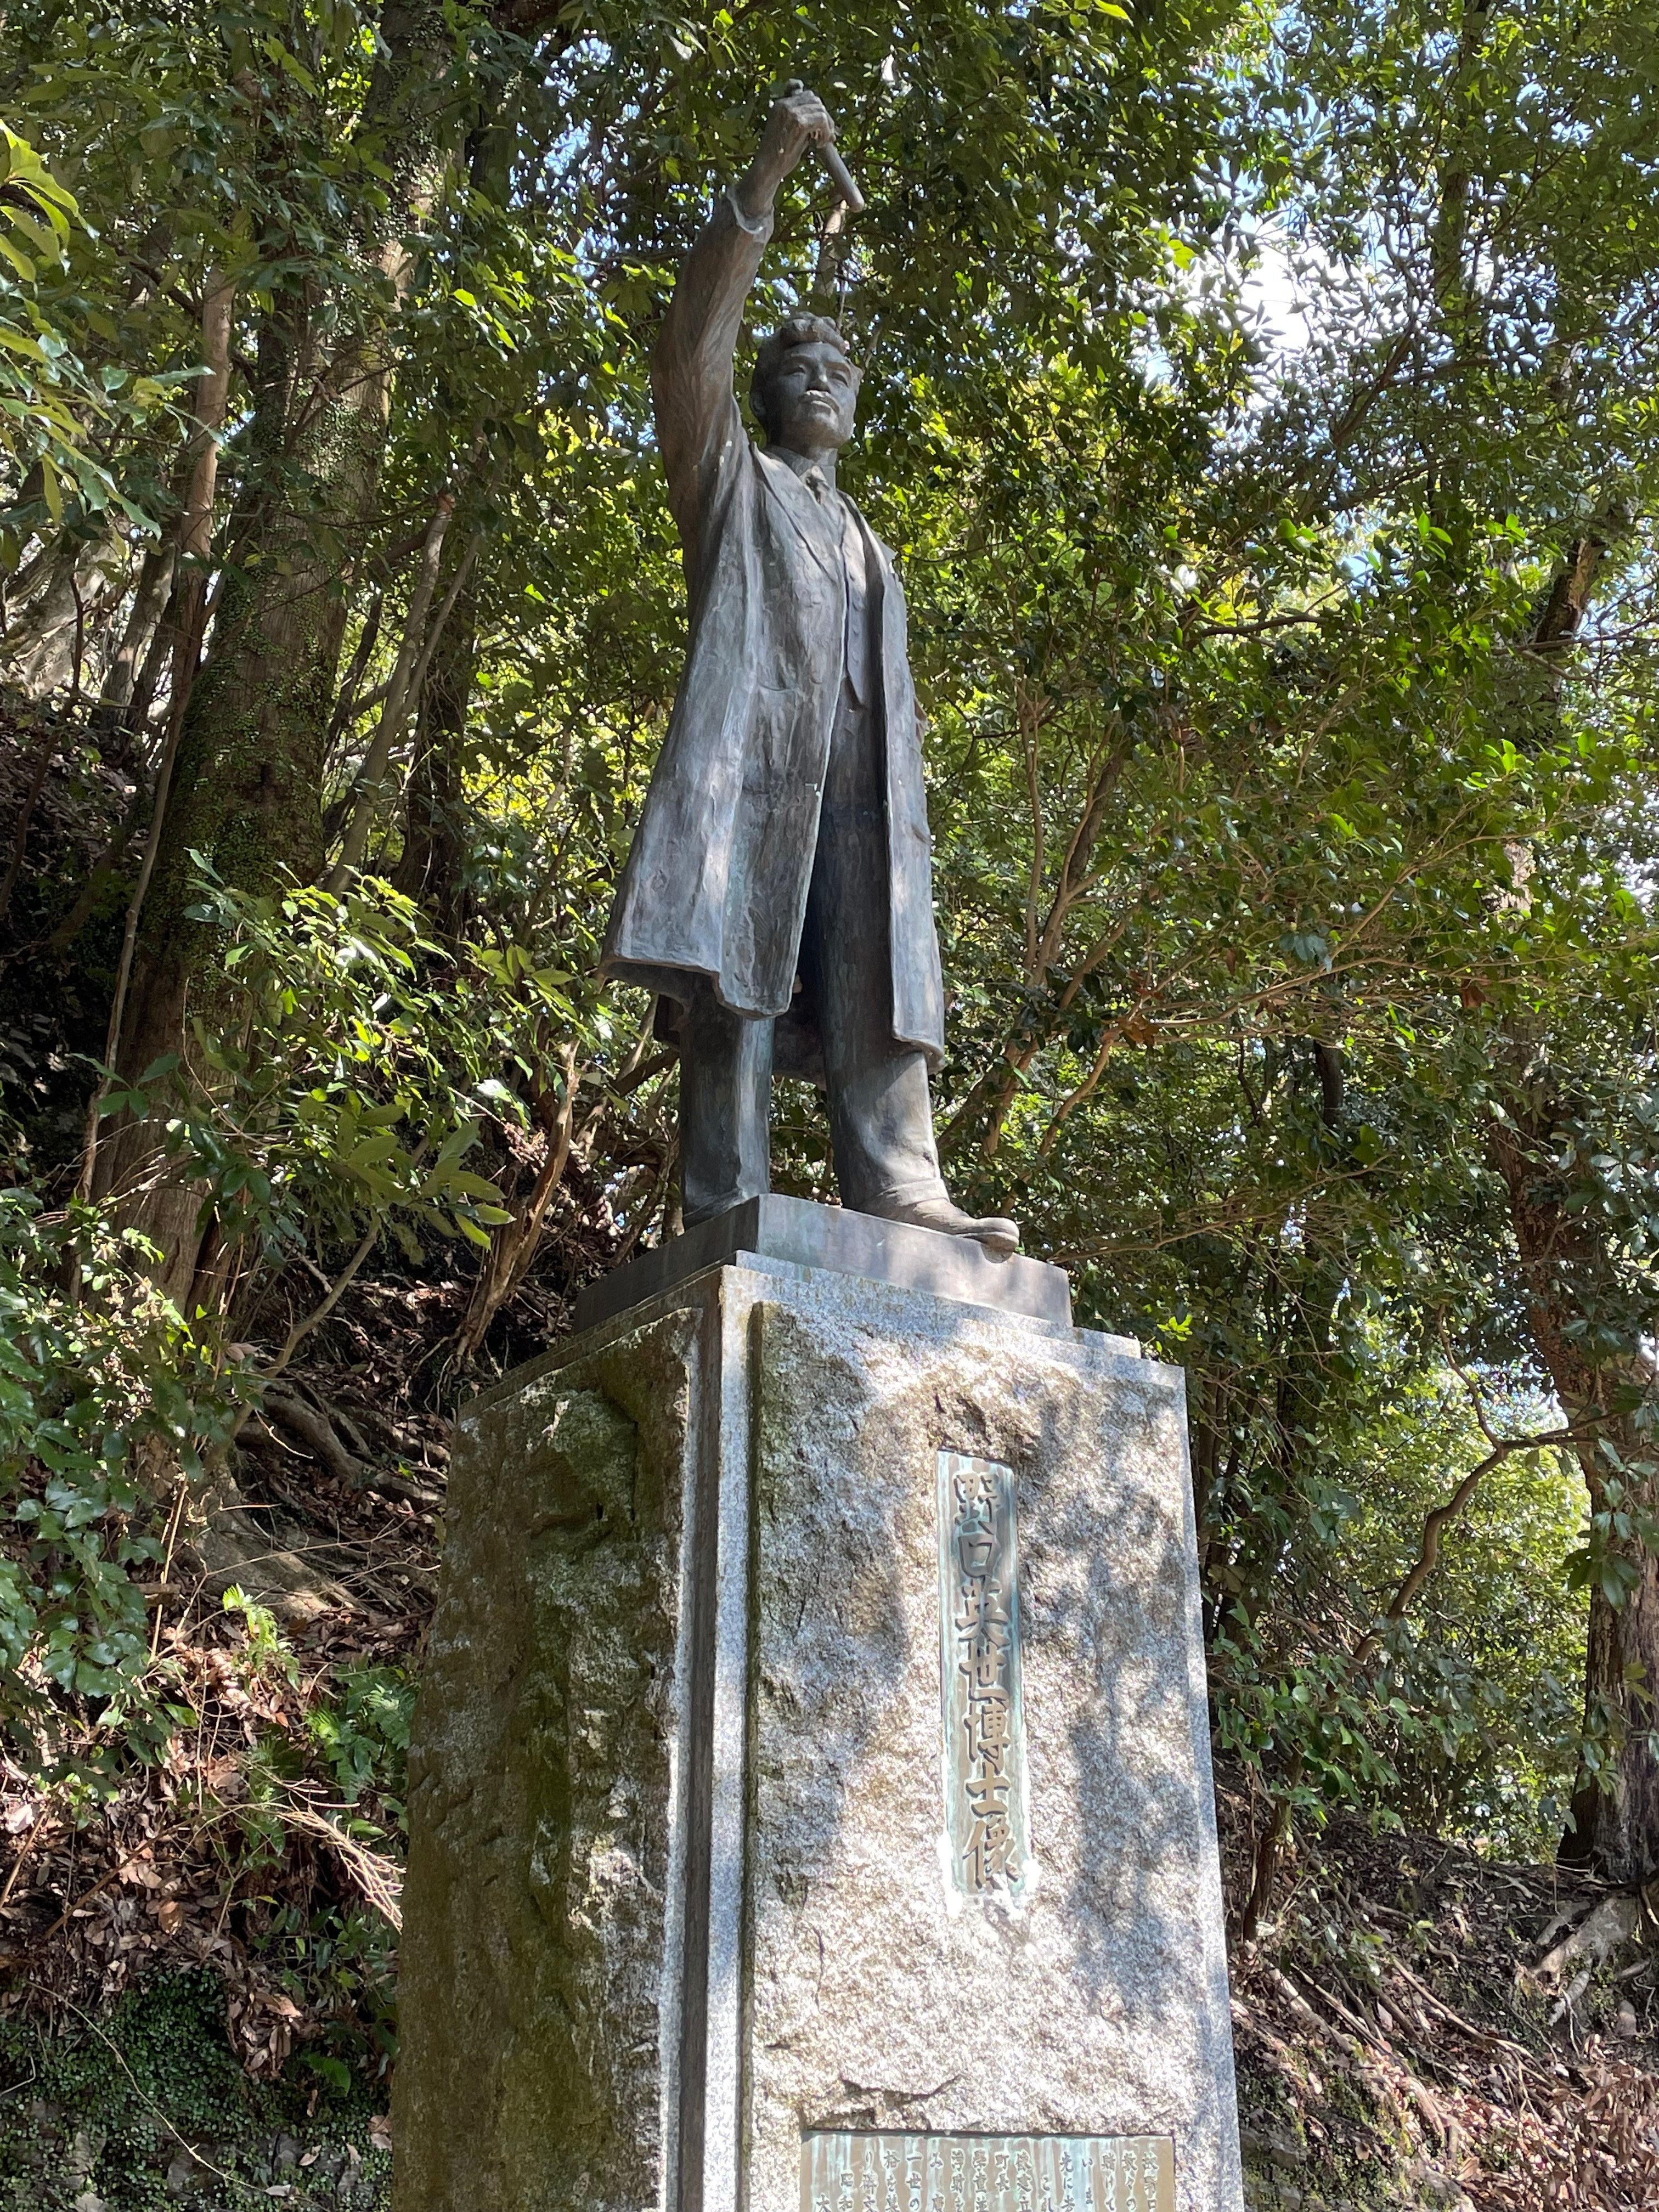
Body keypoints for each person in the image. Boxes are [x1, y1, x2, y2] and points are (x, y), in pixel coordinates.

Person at [601, 87, 1019, 1256]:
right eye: (796, 365)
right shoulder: (731, 485)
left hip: (863, 792)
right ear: (766, 396)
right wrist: (771, 171)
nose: (820, 376)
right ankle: (725, 1192)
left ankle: (899, 1183)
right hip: (756, 768)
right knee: (738, 965)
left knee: (876, 967)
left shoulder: (872, 541)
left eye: (838, 366)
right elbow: (691, 347)